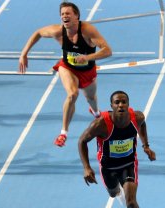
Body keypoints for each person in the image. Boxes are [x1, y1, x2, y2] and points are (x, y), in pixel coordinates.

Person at [19, 2, 112, 147]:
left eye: (68, 13)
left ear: (77, 16)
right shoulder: (58, 31)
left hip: (87, 71)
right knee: (72, 95)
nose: (64, 16)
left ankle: (95, 111)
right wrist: (23, 53)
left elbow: (107, 50)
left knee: (91, 98)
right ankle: (63, 133)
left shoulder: (87, 31)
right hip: (68, 67)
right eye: (62, 14)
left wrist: (87, 58)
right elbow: (38, 33)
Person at [78, 90, 156, 208]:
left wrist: (146, 146)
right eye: (117, 103)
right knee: (113, 194)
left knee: (131, 202)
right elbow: (82, 141)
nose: (120, 105)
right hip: (108, 168)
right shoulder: (101, 125)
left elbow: (143, 125)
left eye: (123, 102)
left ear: (128, 104)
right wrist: (86, 167)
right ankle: (118, 193)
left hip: (128, 165)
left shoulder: (137, 117)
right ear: (111, 106)